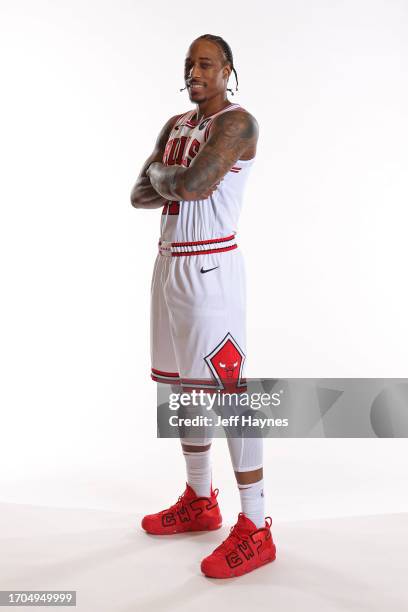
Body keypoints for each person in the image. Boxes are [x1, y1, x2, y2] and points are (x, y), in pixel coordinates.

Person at [130, 34, 276, 579]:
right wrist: (172, 184)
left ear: (228, 70)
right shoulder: (176, 126)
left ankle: (257, 527)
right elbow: (136, 194)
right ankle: (200, 501)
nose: (195, 70)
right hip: (169, 263)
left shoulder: (238, 124)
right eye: (189, 63)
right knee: (178, 388)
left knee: (228, 392)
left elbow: (188, 184)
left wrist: (165, 178)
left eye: (206, 63)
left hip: (211, 267)